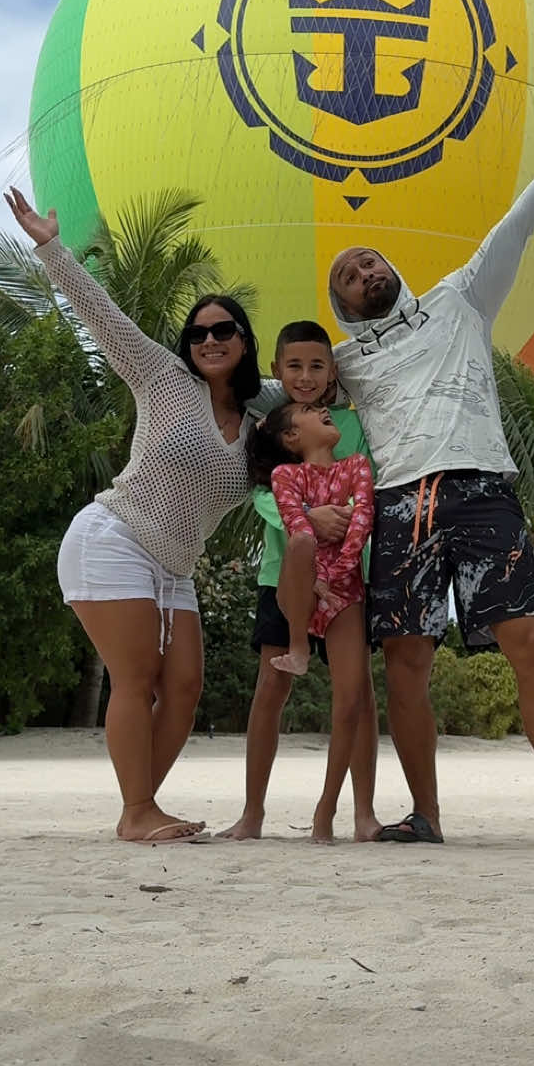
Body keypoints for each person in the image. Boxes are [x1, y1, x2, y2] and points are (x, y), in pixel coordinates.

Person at [326, 101, 534, 854]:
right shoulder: (347, 360)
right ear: (345, 306)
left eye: (371, 260)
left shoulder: (460, 298)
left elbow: (514, 227)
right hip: (403, 507)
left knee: (528, 640)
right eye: (352, 276)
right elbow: (278, 397)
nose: (367, 272)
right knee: (407, 660)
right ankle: (425, 815)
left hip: (481, 488)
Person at [3, 187, 273, 844]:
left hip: (174, 564)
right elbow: (101, 313)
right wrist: (49, 246)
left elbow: (321, 376)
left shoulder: (265, 413)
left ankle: (141, 804)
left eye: (223, 329)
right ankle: (136, 811)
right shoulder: (162, 376)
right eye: (199, 331)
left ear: (244, 341)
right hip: (115, 536)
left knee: (185, 686)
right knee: (138, 677)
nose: (209, 338)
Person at [216, 322, 380, 844]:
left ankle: (362, 813)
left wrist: (344, 523)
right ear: (276, 370)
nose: (305, 377)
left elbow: (367, 485)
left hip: (350, 579)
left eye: (316, 366)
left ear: (332, 372)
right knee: (271, 686)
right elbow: (264, 493)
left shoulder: (348, 425)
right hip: (282, 575)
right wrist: (309, 518)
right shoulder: (271, 429)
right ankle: (252, 813)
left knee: (360, 695)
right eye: (295, 366)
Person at [245, 401, 376, 844]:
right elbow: (296, 525)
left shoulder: (357, 464)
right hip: (298, 585)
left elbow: (361, 524)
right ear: (290, 438)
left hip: (344, 587)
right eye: (306, 411)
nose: (321, 409)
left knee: (352, 696)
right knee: (301, 543)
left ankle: (328, 809)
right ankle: (298, 646)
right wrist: (318, 585)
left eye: (322, 406)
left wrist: (334, 582)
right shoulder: (285, 476)